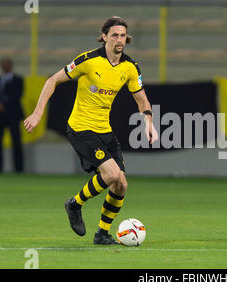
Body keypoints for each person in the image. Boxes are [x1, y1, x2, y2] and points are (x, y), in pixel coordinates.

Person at [23, 16, 158, 245]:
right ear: (104, 36)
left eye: (123, 35)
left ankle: (102, 234)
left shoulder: (130, 67)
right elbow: (52, 80)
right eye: (114, 35)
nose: (119, 40)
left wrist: (148, 122)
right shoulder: (88, 60)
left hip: (104, 130)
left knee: (121, 184)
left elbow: (141, 98)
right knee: (112, 174)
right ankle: (74, 204)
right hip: (81, 128)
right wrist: (37, 113)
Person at [0, 58, 24, 173]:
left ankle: (19, 168)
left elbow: (17, 95)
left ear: (11, 65)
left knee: (16, 143)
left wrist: (3, 103)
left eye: (7, 64)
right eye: (3, 65)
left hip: (13, 116)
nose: (5, 67)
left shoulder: (19, 80)